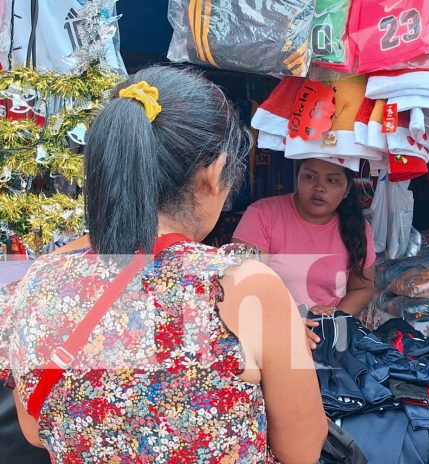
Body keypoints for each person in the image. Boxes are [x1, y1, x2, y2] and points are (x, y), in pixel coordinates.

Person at [0, 66, 327, 463]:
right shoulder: (241, 287)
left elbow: (36, 431)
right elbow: (303, 449)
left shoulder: (34, 284)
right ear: (214, 172)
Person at [233, 158, 376, 337]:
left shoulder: (358, 228)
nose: (319, 188)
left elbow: (362, 288)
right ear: (297, 178)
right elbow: (244, 285)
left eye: (332, 180)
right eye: (310, 177)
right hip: (267, 332)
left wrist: (334, 315)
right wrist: (289, 322)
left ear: (347, 189)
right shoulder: (262, 215)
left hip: (324, 335)